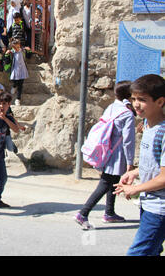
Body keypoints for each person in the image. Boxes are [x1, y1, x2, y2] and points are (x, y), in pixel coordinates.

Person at [114, 74, 165, 256]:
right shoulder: (147, 124)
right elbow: (155, 163)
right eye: (134, 98)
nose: (136, 104)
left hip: (159, 208)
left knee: (138, 253)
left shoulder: (163, 132)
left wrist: (135, 189)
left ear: (160, 102)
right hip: (148, 203)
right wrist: (135, 173)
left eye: (142, 100)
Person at [75, 81, 136, 230]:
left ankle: (109, 212)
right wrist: (130, 161)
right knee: (105, 183)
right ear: (129, 95)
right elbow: (128, 140)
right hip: (117, 153)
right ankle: (83, 213)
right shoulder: (127, 113)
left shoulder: (111, 107)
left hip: (107, 150)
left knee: (113, 181)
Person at [5, 39, 29, 106]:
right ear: (12, 47)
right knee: (15, 82)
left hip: (22, 70)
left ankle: (18, 99)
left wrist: (29, 51)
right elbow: (7, 62)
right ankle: (14, 85)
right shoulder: (11, 53)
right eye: (15, 47)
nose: (17, 49)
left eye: (18, 47)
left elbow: (28, 57)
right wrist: (6, 55)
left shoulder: (23, 51)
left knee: (20, 85)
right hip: (14, 70)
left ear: (20, 46)